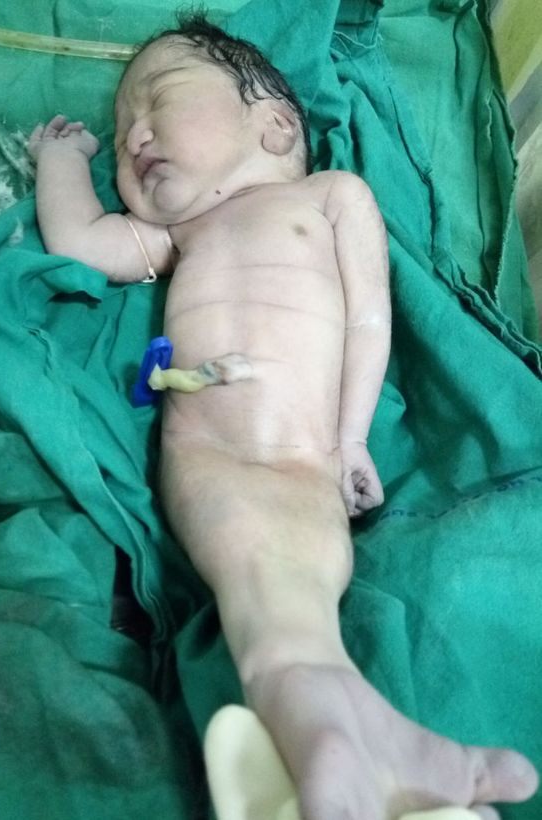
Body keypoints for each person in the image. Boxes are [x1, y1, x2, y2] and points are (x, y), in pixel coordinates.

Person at [28, 13, 538, 819]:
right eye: (122, 133)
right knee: (258, 584)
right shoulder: (174, 235)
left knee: (299, 581)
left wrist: (349, 439)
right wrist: (60, 163)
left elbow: (368, 318)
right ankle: (344, 740)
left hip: (306, 452)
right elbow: (82, 244)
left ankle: (339, 735)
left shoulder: (330, 196)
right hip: (207, 448)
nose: (135, 135)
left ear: (272, 126)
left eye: (158, 99)